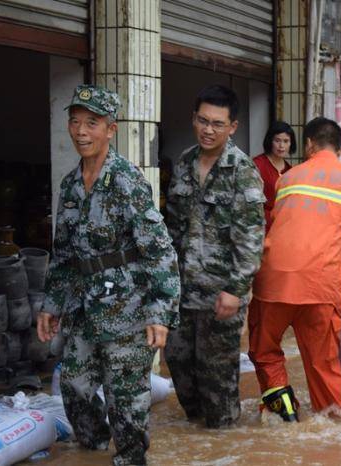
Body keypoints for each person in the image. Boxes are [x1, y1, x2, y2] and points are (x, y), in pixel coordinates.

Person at [37, 84, 180, 466]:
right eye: (75, 122)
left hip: (128, 309)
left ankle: (131, 459)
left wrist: (159, 312)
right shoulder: (69, 186)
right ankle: (94, 451)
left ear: (110, 130)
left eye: (92, 123)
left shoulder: (126, 182)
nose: (81, 131)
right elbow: (64, 253)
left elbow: (159, 249)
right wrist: (52, 305)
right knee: (74, 386)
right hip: (84, 308)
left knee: (127, 400)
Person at [248, 117, 341, 421]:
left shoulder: (287, 179)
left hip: (272, 283)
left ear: (307, 145)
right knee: (322, 365)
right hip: (320, 287)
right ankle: (335, 432)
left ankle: (285, 414)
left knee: (264, 351)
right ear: (339, 147)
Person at [164, 85, 265, 428]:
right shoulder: (184, 162)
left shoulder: (242, 171)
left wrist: (236, 290)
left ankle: (223, 443)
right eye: (203, 121)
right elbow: (173, 227)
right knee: (180, 368)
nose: (208, 130)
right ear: (194, 119)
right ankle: (197, 443)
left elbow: (251, 238)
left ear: (233, 126)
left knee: (217, 383)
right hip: (181, 292)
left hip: (221, 295)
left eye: (217, 124)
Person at [254, 121, 296, 232]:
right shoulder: (258, 164)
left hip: (282, 227)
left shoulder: (290, 170)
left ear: (291, 143)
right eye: (277, 140)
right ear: (270, 141)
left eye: (286, 141)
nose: (281, 146)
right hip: (259, 226)